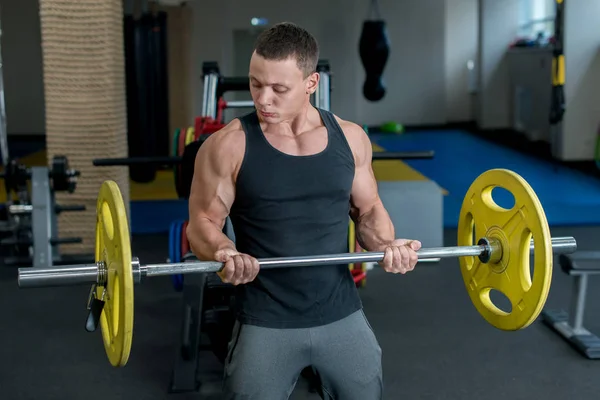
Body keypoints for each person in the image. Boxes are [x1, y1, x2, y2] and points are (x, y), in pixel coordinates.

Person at [186, 21, 421, 400]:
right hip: (266, 318)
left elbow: (368, 210)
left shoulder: (350, 137)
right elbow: (202, 223)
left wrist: (389, 245)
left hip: (340, 311)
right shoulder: (227, 145)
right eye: (255, 84)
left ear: (311, 84)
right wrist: (223, 250)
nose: (263, 99)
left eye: (279, 89)